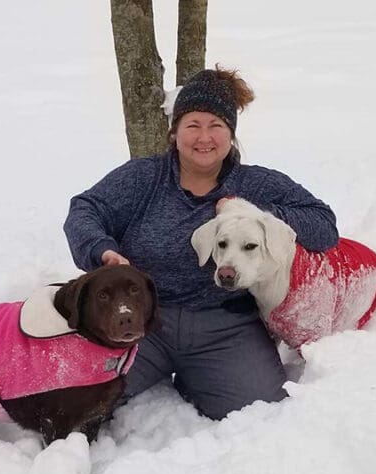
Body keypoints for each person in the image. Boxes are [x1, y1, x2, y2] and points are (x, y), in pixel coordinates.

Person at [63, 66, 339, 420]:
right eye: (193, 125)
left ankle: (198, 375)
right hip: (138, 320)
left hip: (225, 327)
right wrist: (102, 250)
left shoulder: (255, 183)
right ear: (175, 131)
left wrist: (254, 212)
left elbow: (323, 224)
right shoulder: (143, 178)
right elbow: (85, 209)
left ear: (231, 135)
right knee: (78, 395)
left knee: (260, 410)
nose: (204, 137)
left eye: (216, 126)